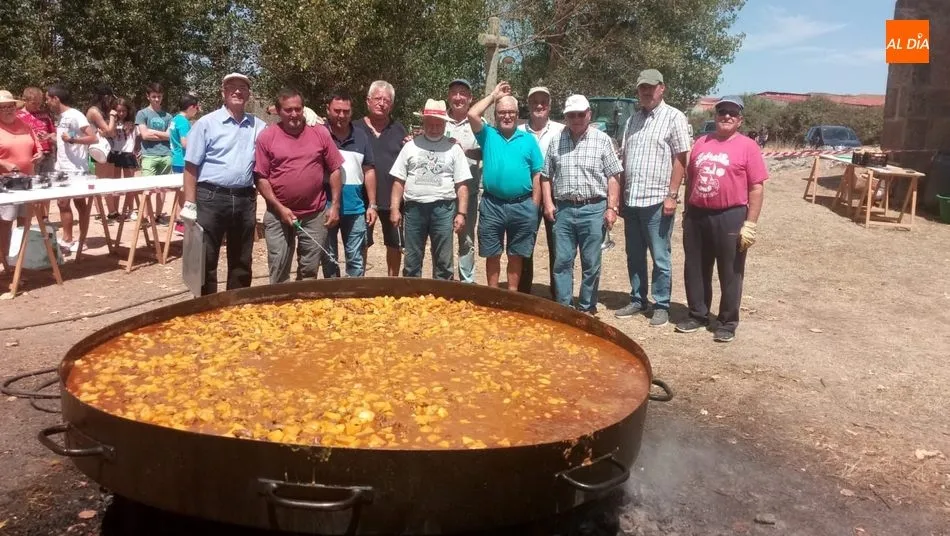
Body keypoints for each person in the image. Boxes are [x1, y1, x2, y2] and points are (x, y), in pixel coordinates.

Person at [675, 96, 767, 343]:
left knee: (730, 270)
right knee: (695, 267)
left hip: (731, 215)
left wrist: (750, 223)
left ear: (740, 119)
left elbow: (756, 188)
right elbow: (690, 179)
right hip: (697, 214)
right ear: (715, 116)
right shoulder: (701, 142)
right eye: (722, 111)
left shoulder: (748, 146)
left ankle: (727, 321)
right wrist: (686, 212)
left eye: (732, 113)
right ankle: (698, 314)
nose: (727, 116)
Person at [614, 69, 691, 327]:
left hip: (658, 200)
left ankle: (661, 304)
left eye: (651, 87)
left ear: (662, 88)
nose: (646, 92)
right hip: (632, 200)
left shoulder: (674, 117)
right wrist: (621, 198)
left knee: (660, 255)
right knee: (634, 254)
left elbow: (681, 157)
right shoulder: (632, 120)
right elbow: (624, 160)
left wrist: (672, 195)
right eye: (642, 88)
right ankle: (638, 299)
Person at [180, 73, 266, 295]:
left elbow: (282, 133)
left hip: (245, 198)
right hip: (211, 197)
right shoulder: (206, 124)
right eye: (232, 87)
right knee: (206, 257)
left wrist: (308, 116)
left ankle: (236, 305)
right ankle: (204, 307)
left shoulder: (258, 126)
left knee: (241, 259)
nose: (237, 91)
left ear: (248, 94)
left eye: (242, 88)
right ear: (223, 92)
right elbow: (191, 166)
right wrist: (189, 203)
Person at [541, 94, 622, 314]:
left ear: (589, 114)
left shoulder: (602, 140)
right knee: (562, 262)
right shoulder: (556, 141)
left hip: (594, 209)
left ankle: (587, 307)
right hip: (564, 209)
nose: (576, 118)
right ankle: (565, 307)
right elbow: (546, 176)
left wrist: (611, 208)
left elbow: (613, 176)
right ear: (566, 117)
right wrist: (548, 203)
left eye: (580, 114)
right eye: (571, 115)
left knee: (591, 263)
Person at [254, 88, 343, 284]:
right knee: (278, 265)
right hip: (278, 214)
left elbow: (336, 169)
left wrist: (335, 204)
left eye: (298, 109)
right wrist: (279, 207)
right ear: (278, 111)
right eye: (288, 110)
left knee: (310, 268)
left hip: (314, 213)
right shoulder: (267, 137)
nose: (294, 114)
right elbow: (261, 177)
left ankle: (304, 307)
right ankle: (279, 306)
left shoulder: (320, 133)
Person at [467, 82, 542, 290]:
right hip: (492, 204)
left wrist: (534, 205)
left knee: (516, 254)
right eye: (502, 112)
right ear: (496, 114)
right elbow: (472, 114)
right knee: (492, 252)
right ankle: (493, 294)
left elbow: (537, 173)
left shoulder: (528, 140)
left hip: (522, 205)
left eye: (510, 112)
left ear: (517, 114)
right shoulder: (488, 135)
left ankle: (512, 294)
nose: (506, 116)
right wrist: (493, 96)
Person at [389, 99, 471, 279]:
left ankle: (443, 299)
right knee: (411, 260)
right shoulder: (410, 146)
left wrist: (461, 213)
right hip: (414, 209)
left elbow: (462, 184)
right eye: (430, 124)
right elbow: (398, 181)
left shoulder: (454, 148)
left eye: (438, 124)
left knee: (443, 261)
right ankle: (412, 296)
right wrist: (395, 209)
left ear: (444, 124)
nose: (434, 128)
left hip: (443, 208)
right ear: (424, 123)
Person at [353, 81, 408, 276]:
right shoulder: (354, 128)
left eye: (387, 100)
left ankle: (392, 282)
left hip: (393, 198)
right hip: (363, 199)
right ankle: (360, 281)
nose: (382, 103)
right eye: (378, 98)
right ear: (368, 101)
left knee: (394, 244)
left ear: (391, 106)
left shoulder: (399, 130)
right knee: (362, 242)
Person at [323, 89, 377, 278]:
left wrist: (372, 204)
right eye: (337, 110)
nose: (341, 115)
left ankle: (355, 299)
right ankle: (332, 300)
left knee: (356, 260)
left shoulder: (361, 136)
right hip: (326, 206)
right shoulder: (320, 133)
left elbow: (369, 170)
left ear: (351, 111)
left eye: (346, 111)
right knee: (329, 259)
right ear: (328, 110)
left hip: (355, 207)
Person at [518, 86, 564, 297]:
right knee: (525, 243)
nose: (539, 105)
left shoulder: (561, 130)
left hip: (555, 193)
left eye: (543, 101)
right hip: (526, 194)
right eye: (534, 101)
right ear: (528, 105)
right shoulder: (518, 131)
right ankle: (523, 290)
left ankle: (558, 293)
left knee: (557, 245)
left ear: (550, 105)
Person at [46, 83, 97, 254]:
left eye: (48, 99)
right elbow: (65, 139)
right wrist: (52, 138)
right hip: (62, 167)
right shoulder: (61, 117)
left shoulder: (76, 115)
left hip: (77, 169)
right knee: (62, 203)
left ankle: (82, 240)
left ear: (56, 99)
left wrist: (73, 141)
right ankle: (67, 239)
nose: (47, 102)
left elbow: (93, 138)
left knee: (80, 204)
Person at [444, 78, 482, 283]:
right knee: (443, 237)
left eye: (463, 93)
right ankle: (445, 278)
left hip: (469, 191)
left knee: (466, 238)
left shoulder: (478, 124)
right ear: (449, 97)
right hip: (443, 192)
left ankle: (467, 281)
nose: (458, 97)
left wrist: (463, 151)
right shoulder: (439, 121)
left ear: (470, 98)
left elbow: (486, 152)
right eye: (454, 93)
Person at [0, 90, 41, 275]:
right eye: (3, 108)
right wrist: (3, 163)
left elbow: (36, 147)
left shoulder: (25, 125)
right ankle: (5, 261)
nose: (8, 110)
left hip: (26, 180)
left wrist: (38, 154)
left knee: (25, 220)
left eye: (10, 106)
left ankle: (22, 259)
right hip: (4, 183)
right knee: (5, 222)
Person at [135, 82, 173, 223]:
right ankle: (146, 215)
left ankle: (158, 215)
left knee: (162, 189)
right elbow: (144, 135)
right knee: (147, 188)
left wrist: (153, 131)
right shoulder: (142, 113)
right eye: (154, 96)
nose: (157, 99)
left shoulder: (168, 116)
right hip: (148, 155)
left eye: (159, 96)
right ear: (148, 97)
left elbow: (170, 136)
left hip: (166, 154)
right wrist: (162, 134)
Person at [86, 85, 119, 218]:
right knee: (99, 180)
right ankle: (101, 212)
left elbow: (112, 133)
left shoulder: (102, 111)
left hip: (106, 149)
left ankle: (111, 211)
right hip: (96, 150)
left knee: (108, 180)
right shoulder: (94, 111)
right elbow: (110, 131)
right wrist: (112, 117)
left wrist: (109, 128)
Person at [17, 87, 56, 176]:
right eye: (34, 103)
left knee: (48, 182)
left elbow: (53, 132)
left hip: (47, 155)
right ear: (24, 100)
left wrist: (48, 136)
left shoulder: (44, 115)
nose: (37, 106)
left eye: (39, 103)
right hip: (31, 156)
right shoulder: (18, 116)